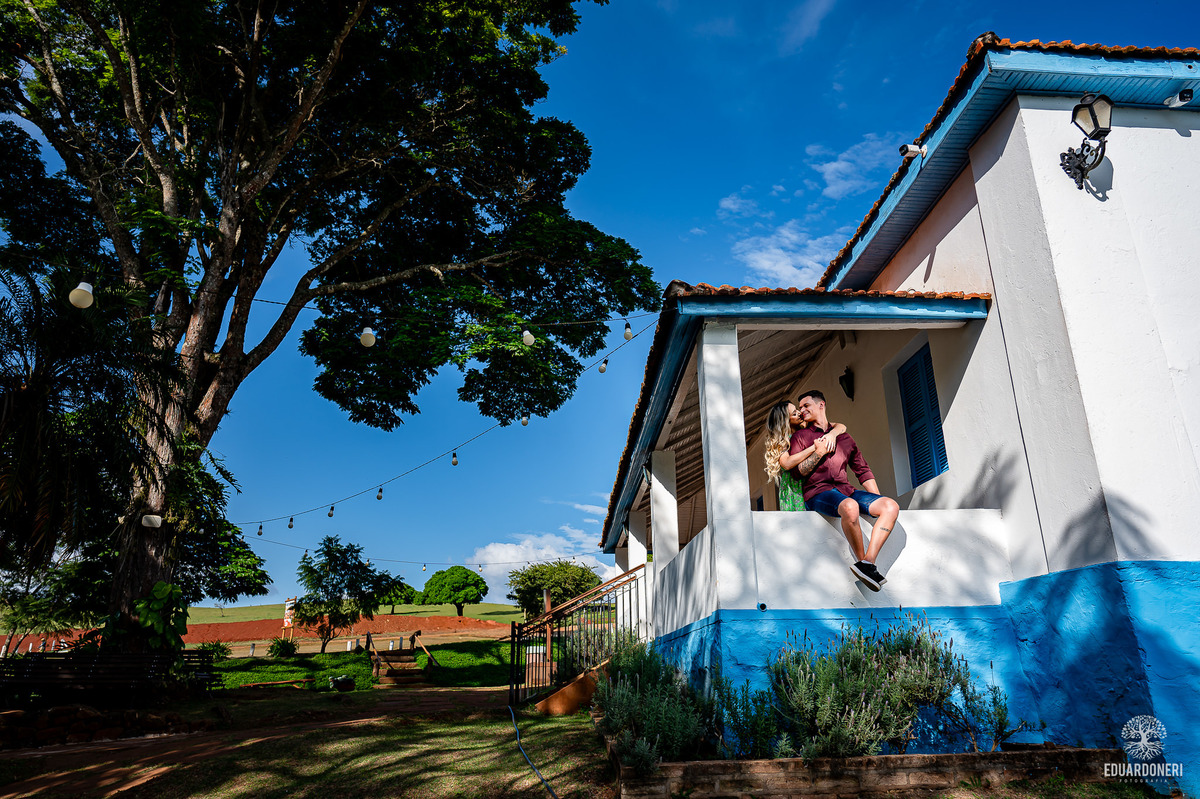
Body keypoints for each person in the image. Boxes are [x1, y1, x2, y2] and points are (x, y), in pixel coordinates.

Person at [789, 389, 900, 592]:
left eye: (806, 405)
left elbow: (863, 470)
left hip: (846, 490)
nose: (802, 410)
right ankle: (862, 562)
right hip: (818, 493)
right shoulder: (801, 436)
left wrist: (876, 499)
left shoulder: (844, 437)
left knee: (890, 506)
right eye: (800, 407)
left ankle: (868, 563)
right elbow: (798, 472)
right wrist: (818, 451)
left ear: (821, 404)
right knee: (849, 507)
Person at [762, 401, 845, 511]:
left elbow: (841, 426)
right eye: (794, 413)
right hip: (794, 486)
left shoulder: (807, 428)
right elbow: (786, 463)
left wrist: (831, 435)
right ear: (786, 421)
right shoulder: (783, 440)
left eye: (797, 410)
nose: (799, 413)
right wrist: (814, 448)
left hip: (813, 482)